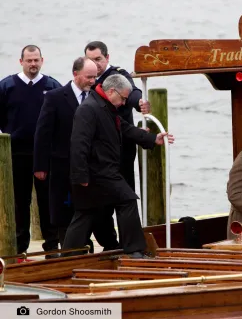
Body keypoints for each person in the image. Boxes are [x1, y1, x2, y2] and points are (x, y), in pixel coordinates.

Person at [62, 74, 174, 258]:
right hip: (96, 172)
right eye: (123, 98)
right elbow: (78, 145)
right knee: (127, 199)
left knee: (85, 214)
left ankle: (67, 257)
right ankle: (134, 251)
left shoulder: (105, 106)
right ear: (111, 91)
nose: (123, 103)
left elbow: (125, 128)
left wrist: (153, 138)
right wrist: (80, 177)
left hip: (101, 171)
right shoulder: (89, 109)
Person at [33, 57, 119, 251]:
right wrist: (40, 166)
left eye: (95, 77)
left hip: (92, 167)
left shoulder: (98, 97)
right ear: (75, 74)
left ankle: (106, 246)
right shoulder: (55, 97)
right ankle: (70, 249)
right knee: (64, 211)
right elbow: (43, 133)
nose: (93, 81)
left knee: (97, 209)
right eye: (89, 77)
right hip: (63, 165)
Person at [0, 45, 60, 255]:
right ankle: (19, 247)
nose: (33, 64)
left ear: (42, 61)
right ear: (21, 62)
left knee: (47, 200)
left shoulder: (52, 86)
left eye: (36, 60)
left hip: (45, 154)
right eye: (29, 60)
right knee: (19, 201)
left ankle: (52, 245)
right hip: (15, 154)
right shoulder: (7, 86)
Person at [84, 41, 150, 191]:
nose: (95, 64)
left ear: (107, 58)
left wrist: (139, 103)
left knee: (125, 192)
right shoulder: (86, 78)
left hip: (121, 145)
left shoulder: (118, 74)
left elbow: (132, 90)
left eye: (98, 59)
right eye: (90, 60)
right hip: (98, 148)